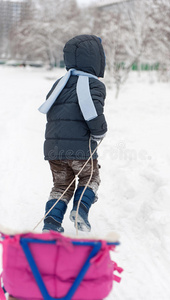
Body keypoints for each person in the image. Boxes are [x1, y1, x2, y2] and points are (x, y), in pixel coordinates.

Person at [41, 34, 107, 233]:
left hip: (54, 149)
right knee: (90, 178)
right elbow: (93, 113)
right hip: (81, 150)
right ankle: (80, 209)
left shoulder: (59, 84)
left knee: (61, 186)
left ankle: (51, 223)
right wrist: (100, 132)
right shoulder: (93, 84)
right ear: (96, 59)